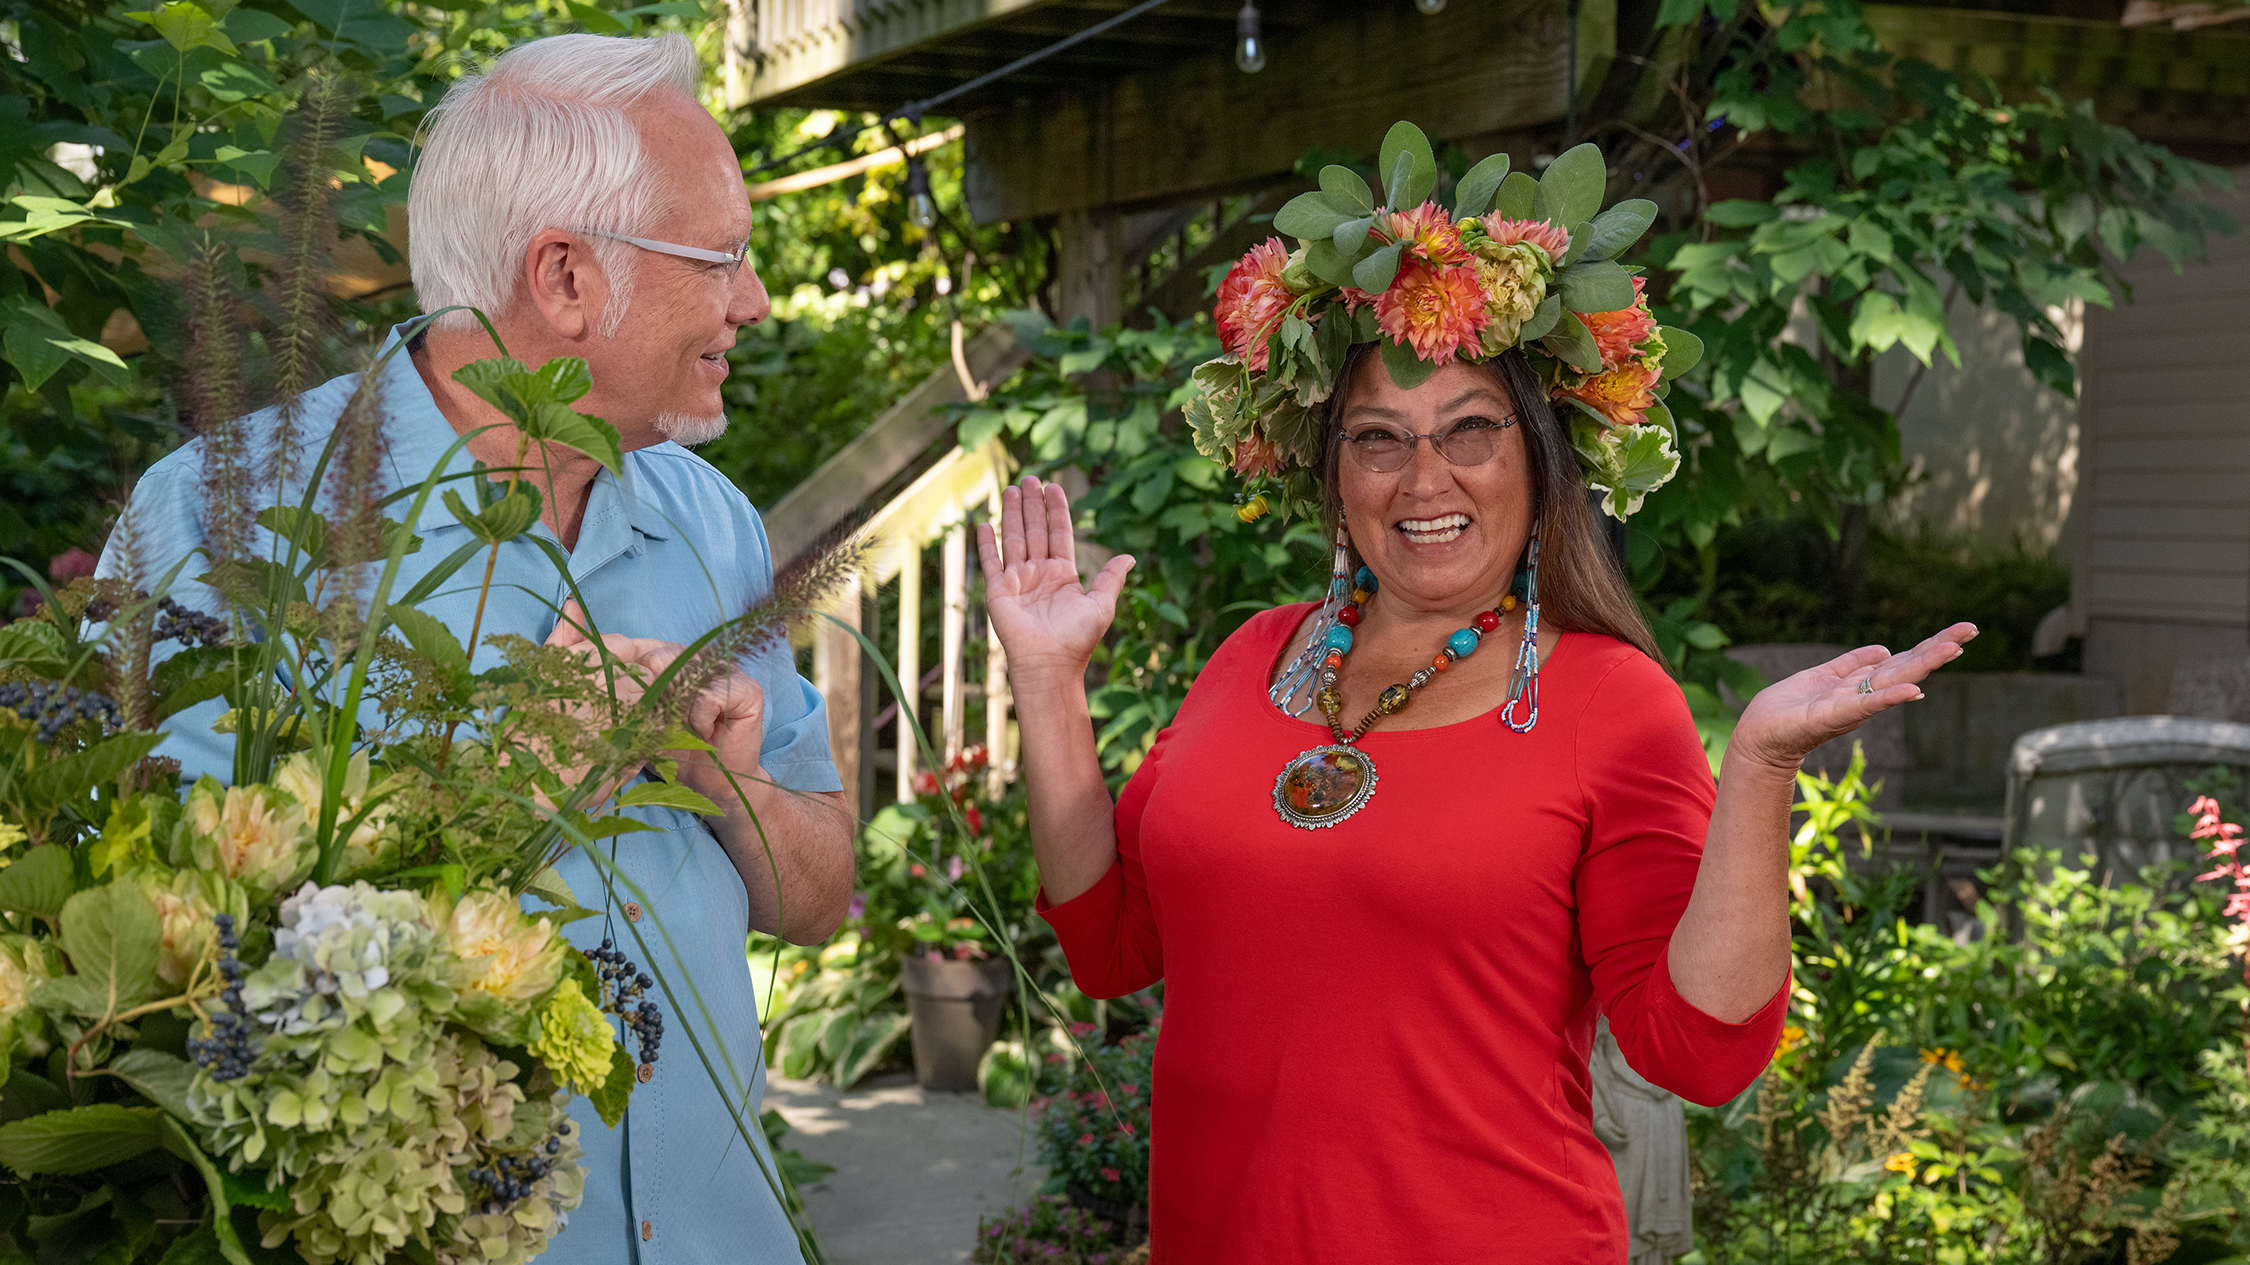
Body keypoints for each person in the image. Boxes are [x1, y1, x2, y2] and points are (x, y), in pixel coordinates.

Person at [975, 127, 1974, 1261]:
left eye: (1471, 430)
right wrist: (1048, 680)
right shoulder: (1250, 658)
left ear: (1541, 457)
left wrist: (1761, 767)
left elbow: (1694, 1050)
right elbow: (1110, 947)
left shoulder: (1610, 701)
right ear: (1332, 470)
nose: (1424, 478)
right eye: (1378, 439)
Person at [98, 33, 854, 1264]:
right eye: (721, 257)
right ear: (562, 275)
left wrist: (741, 786)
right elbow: (172, 986)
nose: (752, 301)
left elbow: (820, 899)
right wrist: (514, 791)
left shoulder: (708, 514)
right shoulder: (217, 520)